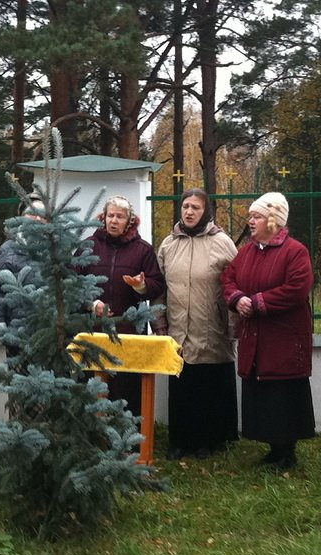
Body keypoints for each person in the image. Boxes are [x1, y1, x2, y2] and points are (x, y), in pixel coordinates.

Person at [221, 192, 314, 469]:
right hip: (255, 336)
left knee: (282, 392)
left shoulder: (295, 251)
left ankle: (287, 452)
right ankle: (274, 448)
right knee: (263, 393)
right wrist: (238, 298)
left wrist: (259, 303)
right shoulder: (246, 252)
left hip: (284, 336)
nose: (251, 221)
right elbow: (228, 278)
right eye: (251, 216)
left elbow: (297, 288)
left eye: (257, 216)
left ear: (273, 220)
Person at [155, 188, 238, 459]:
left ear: (206, 212)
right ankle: (180, 441)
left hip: (211, 327)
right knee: (182, 387)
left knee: (208, 386)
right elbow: (159, 288)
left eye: (196, 208)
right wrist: (160, 324)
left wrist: (233, 326)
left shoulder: (222, 242)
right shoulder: (169, 244)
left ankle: (209, 441)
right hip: (178, 329)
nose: (189, 212)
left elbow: (235, 283)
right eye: (186, 206)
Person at [76, 195, 164, 417]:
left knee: (127, 388)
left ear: (129, 221)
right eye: (110, 215)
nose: (114, 221)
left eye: (120, 216)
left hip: (129, 330)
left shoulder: (143, 250)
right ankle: (95, 438)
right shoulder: (88, 246)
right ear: (103, 218)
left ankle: (129, 440)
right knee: (93, 386)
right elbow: (71, 283)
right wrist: (90, 303)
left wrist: (142, 286)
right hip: (93, 330)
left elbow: (157, 286)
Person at [0, 192, 47, 337]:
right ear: (22, 217)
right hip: (18, 330)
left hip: (50, 331)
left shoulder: (55, 250)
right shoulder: (8, 250)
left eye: (42, 215)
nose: (38, 218)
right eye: (32, 213)